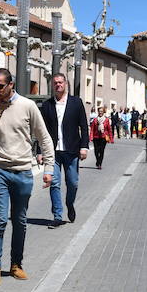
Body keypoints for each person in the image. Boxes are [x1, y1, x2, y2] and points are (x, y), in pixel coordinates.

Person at [0, 69, 54, 288]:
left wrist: (49, 168)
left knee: (20, 221)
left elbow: (44, 138)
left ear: (11, 85)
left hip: (23, 172)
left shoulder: (27, 106)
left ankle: (16, 264)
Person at [39, 73, 89, 226]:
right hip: (52, 152)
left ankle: (69, 204)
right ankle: (57, 216)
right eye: (55, 83)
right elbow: (41, 130)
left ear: (66, 84)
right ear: (52, 85)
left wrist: (84, 147)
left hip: (72, 150)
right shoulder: (47, 105)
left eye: (60, 82)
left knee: (72, 183)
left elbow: (84, 127)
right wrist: (39, 152)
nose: (58, 85)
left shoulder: (76, 103)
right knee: (54, 183)